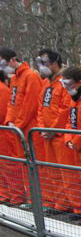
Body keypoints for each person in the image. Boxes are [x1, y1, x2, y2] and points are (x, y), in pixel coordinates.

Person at [0, 47, 43, 206]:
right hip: (18, 129)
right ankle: (32, 198)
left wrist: (16, 124)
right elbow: (12, 104)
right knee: (25, 165)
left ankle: (41, 199)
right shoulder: (15, 79)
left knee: (36, 165)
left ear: (12, 59)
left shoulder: (30, 76)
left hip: (29, 129)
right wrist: (10, 122)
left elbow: (30, 105)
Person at [35, 49, 73, 213]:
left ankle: (68, 203)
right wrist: (43, 127)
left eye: (46, 63)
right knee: (52, 171)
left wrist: (53, 129)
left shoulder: (63, 82)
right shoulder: (46, 83)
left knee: (65, 172)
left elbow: (65, 109)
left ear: (56, 63)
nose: (42, 67)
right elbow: (41, 107)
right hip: (48, 135)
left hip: (59, 135)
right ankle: (59, 203)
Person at [61, 66, 81, 224]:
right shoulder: (73, 97)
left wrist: (77, 141)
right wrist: (69, 139)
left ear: (79, 82)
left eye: (69, 84)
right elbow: (70, 120)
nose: (67, 88)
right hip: (76, 145)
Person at [0, 70, 11, 203]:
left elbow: (2, 113)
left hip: (4, 133)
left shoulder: (2, 89)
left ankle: (12, 195)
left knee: (7, 165)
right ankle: (5, 193)